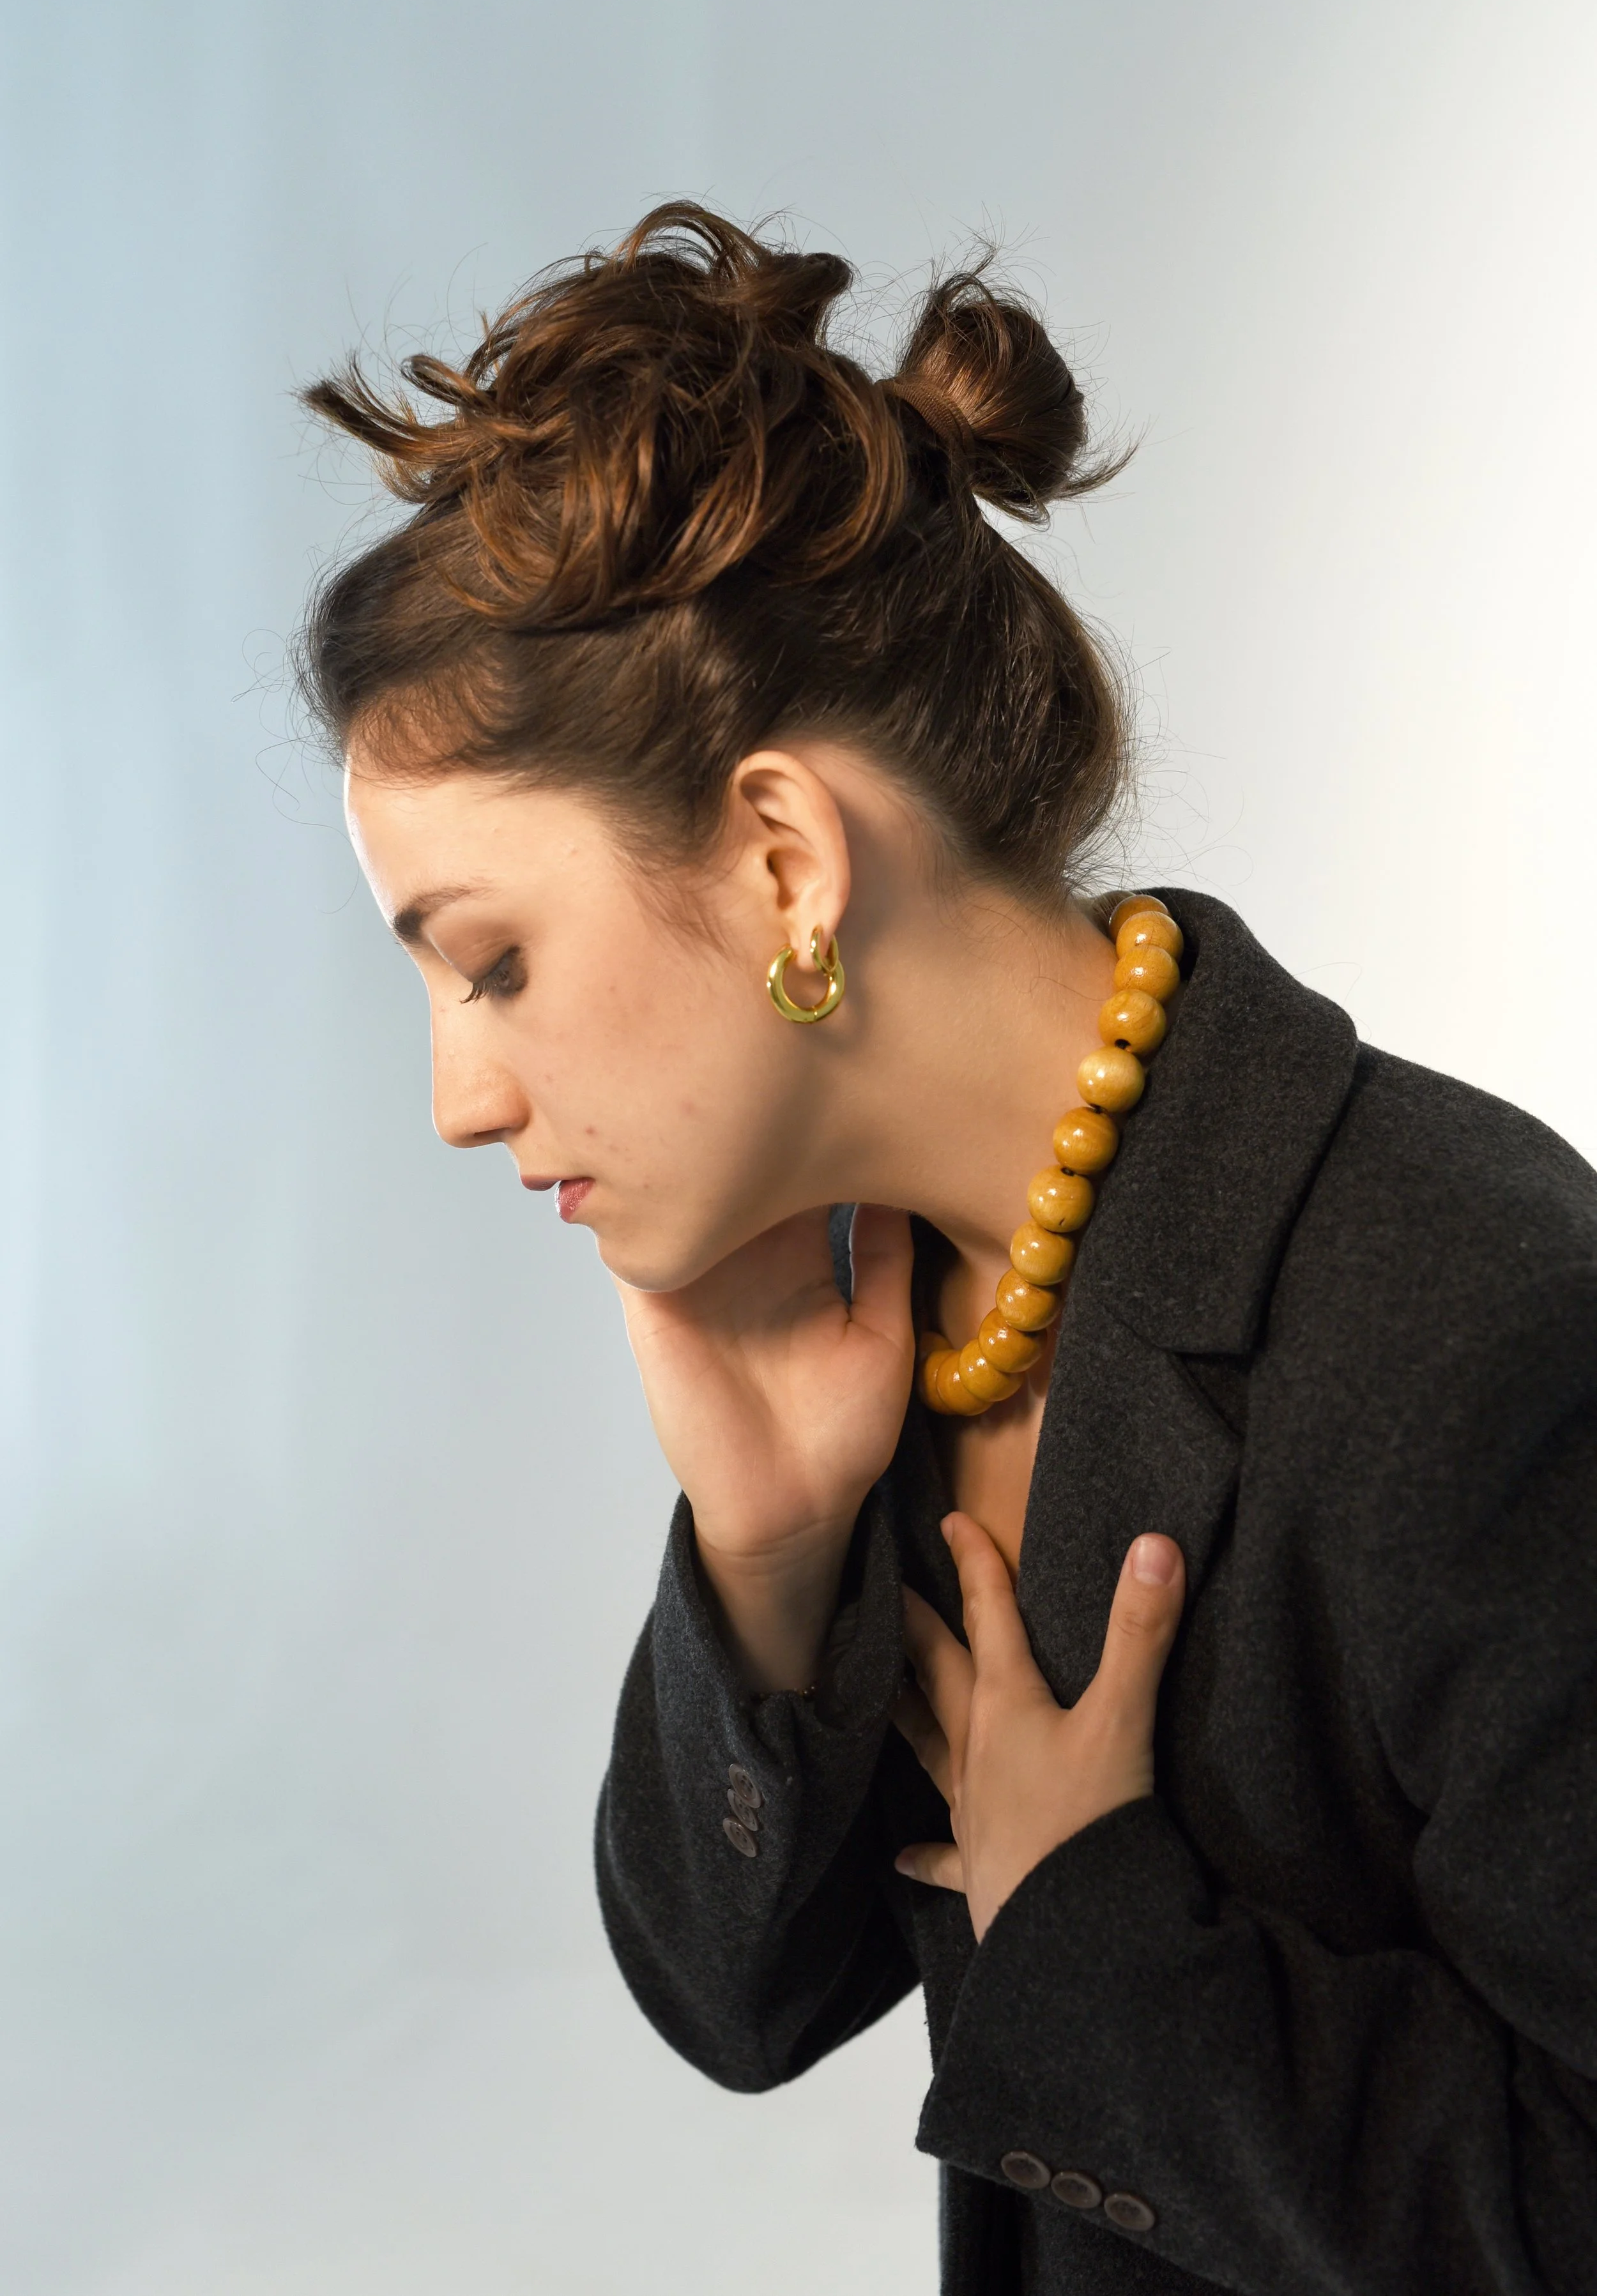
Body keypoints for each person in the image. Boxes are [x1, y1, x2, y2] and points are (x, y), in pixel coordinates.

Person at [297, 203, 1597, 2295]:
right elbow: (734, 2007)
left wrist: (1084, 1919)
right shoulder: (880, 1300)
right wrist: (768, 1551)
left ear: (788, 860)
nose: (460, 1095)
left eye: (492, 964)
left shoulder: (1478, 1332)